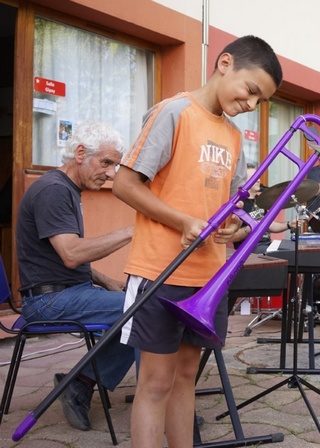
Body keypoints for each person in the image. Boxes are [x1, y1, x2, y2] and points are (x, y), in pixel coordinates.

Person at [112, 35, 283, 447]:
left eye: (262, 101)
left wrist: (235, 228)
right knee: (155, 383)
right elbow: (125, 183)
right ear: (225, 64)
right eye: (251, 91)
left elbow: (235, 209)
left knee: (187, 378)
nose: (252, 105)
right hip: (159, 269)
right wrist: (182, 220)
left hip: (209, 275)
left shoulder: (235, 138)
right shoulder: (174, 112)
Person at [16, 122, 135, 432]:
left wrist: (108, 282)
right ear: (80, 153)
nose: (111, 173)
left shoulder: (66, 189)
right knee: (143, 310)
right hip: (46, 301)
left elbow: (63, 259)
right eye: (106, 163)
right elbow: (72, 254)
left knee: (140, 303)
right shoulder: (53, 190)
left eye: (115, 165)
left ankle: (82, 381)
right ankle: (82, 383)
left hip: (64, 290)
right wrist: (132, 231)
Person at [232, 163, 295, 253]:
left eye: (258, 177)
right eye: (254, 177)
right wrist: (251, 227)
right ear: (244, 182)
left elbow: (269, 225)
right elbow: (233, 237)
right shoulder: (239, 204)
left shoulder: (260, 201)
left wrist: (289, 224)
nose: (258, 180)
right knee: (287, 254)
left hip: (267, 244)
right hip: (249, 249)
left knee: (294, 248)